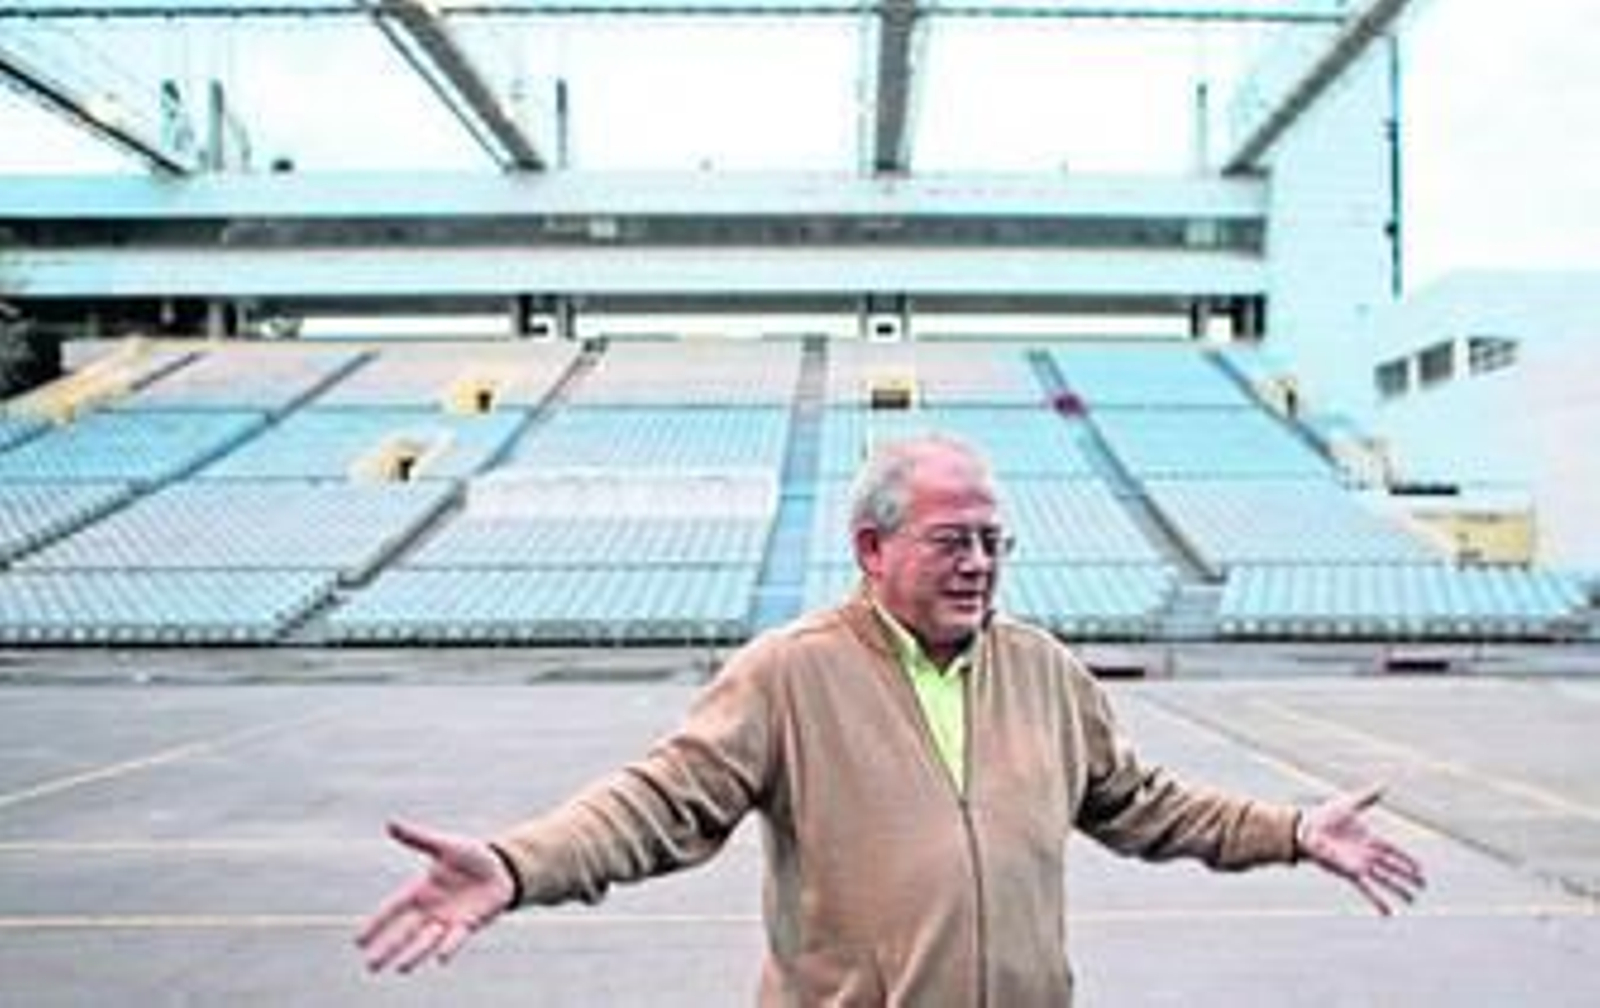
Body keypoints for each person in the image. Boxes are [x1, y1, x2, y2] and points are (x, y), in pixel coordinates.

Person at [356, 433, 1425, 1002]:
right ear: (872, 550)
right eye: (950, 540)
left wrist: (1290, 832)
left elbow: (1139, 804)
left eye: (993, 542)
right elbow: (656, 804)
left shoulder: (1043, 670)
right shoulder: (789, 674)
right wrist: (517, 862)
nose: (977, 564)